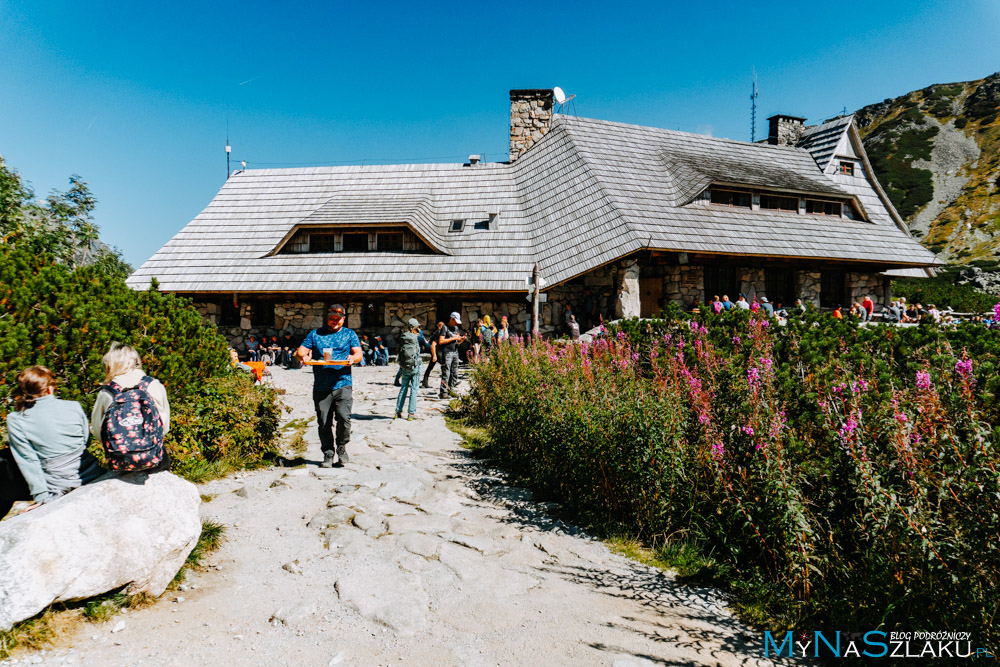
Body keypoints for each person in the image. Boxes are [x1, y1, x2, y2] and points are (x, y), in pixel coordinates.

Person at [2, 366, 105, 519]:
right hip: (91, 472)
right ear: (50, 388)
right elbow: (86, 442)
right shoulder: (73, 406)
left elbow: (28, 461)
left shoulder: (16, 419)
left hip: (59, 484)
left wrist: (42, 496)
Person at [296, 304, 362, 468]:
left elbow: (358, 353)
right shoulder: (315, 334)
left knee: (344, 418)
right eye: (332, 318)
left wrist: (353, 359)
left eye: (338, 319)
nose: (334, 321)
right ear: (327, 318)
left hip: (343, 383)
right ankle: (327, 453)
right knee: (324, 422)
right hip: (321, 386)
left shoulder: (349, 334)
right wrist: (303, 356)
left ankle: (341, 446)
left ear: (343, 319)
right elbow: (300, 351)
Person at [91, 342, 172, 471]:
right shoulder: (154, 385)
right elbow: (165, 427)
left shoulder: (107, 392)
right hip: (154, 458)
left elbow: (97, 431)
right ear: (135, 361)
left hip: (120, 458)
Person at [395, 318, 423, 419]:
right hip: (415, 365)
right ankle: (411, 414)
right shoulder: (418, 338)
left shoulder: (403, 337)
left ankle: (398, 411)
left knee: (403, 388)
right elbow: (425, 343)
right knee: (414, 389)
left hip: (404, 366)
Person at [438, 312, 466, 399]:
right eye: (455, 321)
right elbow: (441, 341)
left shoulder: (456, 328)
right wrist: (453, 338)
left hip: (455, 352)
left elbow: (457, 341)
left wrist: (461, 339)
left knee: (455, 372)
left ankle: (452, 389)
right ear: (451, 319)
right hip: (447, 352)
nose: (456, 323)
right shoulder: (444, 328)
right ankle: (444, 392)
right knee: (446, 372)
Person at [422, 321, 444, 388]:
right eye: (440, 326)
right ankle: (449, 382)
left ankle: (424, 382)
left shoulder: (439, 333)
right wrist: (434, 355)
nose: (441, 327)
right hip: (436, 352)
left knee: (430, 367)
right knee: (445, 366)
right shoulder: (438, 333)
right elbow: (433, 344)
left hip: (436, 352)